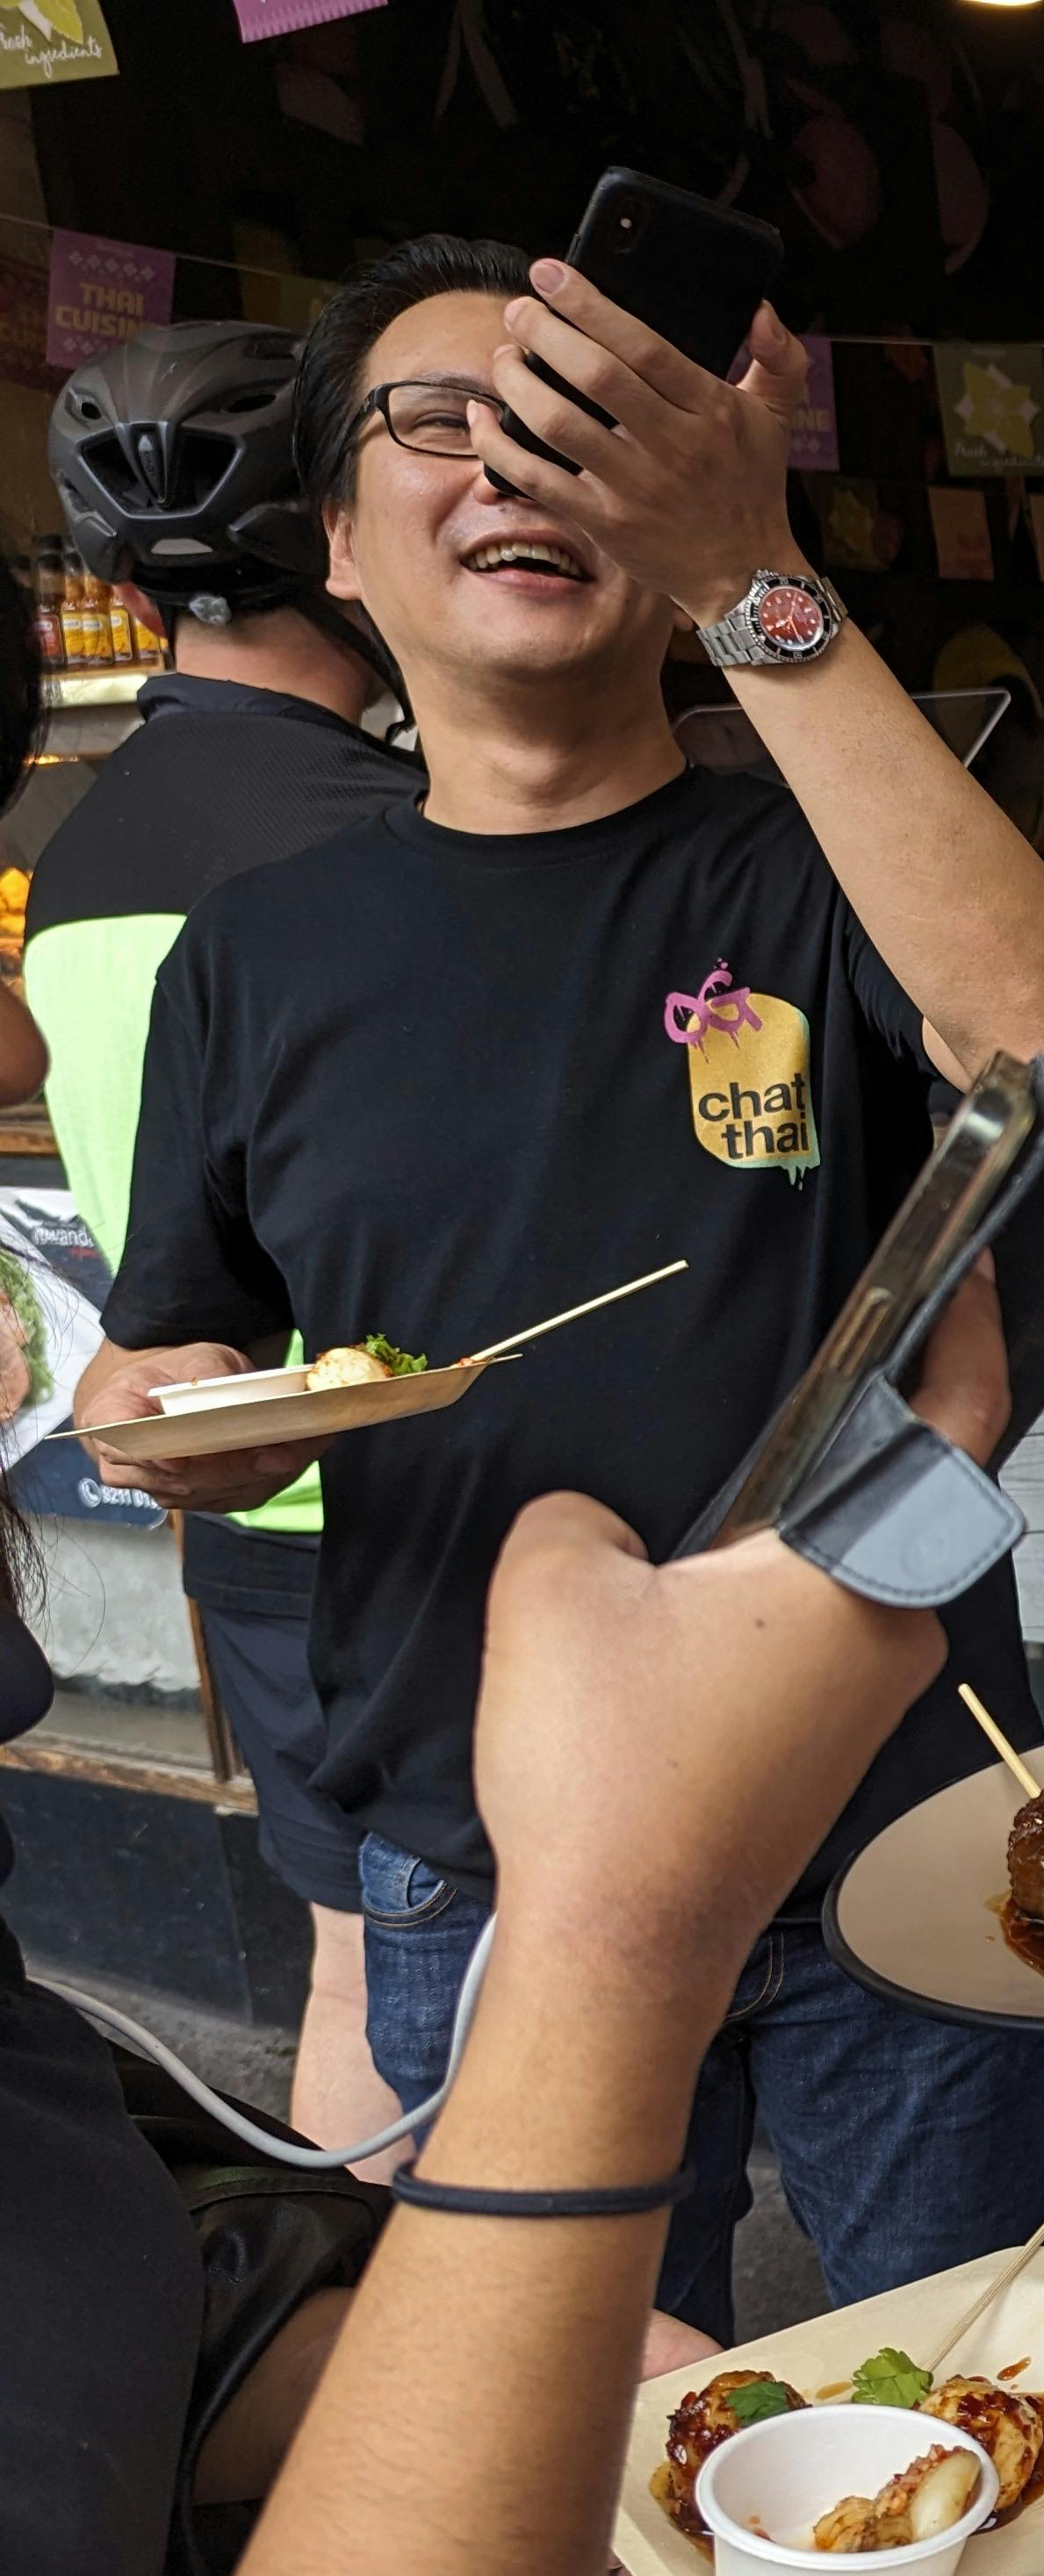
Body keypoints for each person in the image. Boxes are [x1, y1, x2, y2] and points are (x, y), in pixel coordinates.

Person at [76, 235, 1044, 2576]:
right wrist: (171, 1432)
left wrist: (758, 576)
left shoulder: (810, 864)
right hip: (474, 1859)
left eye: (565, 418)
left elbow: (1034, 1034)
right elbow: (171, 1338)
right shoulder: (259, 949)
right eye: (436, 422)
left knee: (991, 2475)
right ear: (333, 543)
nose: (507, 462)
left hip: (886, 1817)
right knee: (558, 2504)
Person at [171, 1268, 1012, 2576]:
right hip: (476, 1840)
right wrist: (613, 1935)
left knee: (940, 2415)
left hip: (878, 1842)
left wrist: (449, 2347)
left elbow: (121, 2333)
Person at [28, 319, 424, 2161]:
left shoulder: (78, 852)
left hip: (238, 1511)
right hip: (432, 1506)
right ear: (334, 535)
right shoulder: (391, 837)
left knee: (355, 1954)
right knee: (501, 1987)